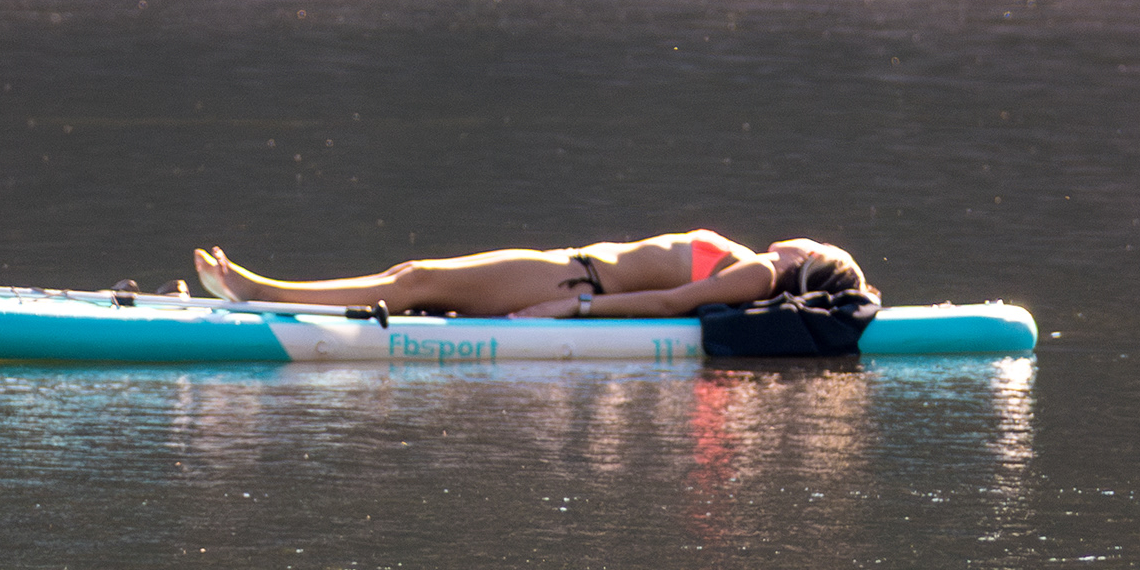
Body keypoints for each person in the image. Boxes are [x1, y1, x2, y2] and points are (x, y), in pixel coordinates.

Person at [192, 231, 875, 320]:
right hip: (568, 275)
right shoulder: (751, 266)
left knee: (415, 277)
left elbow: (673, 299)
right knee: (415, 278)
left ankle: (262, 293)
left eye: (809, 242)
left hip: (569, 285)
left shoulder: (756, 272)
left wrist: (570, 314)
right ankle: (265, 291)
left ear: (804, 263)